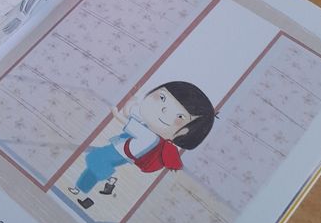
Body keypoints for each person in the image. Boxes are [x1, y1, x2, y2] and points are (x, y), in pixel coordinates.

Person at [70, 81, 215, 209]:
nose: (164, 110)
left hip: (120, 153)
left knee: (94, 158)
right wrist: (131, 104)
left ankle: (108, 179)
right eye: (162, 98)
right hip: (120, 151)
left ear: (183, 132)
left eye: (180, 117)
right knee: (93, 165)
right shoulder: (147, 128)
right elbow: (129, 116)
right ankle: (80, 189)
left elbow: (123, 119)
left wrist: (115, 112)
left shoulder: (150, 135)